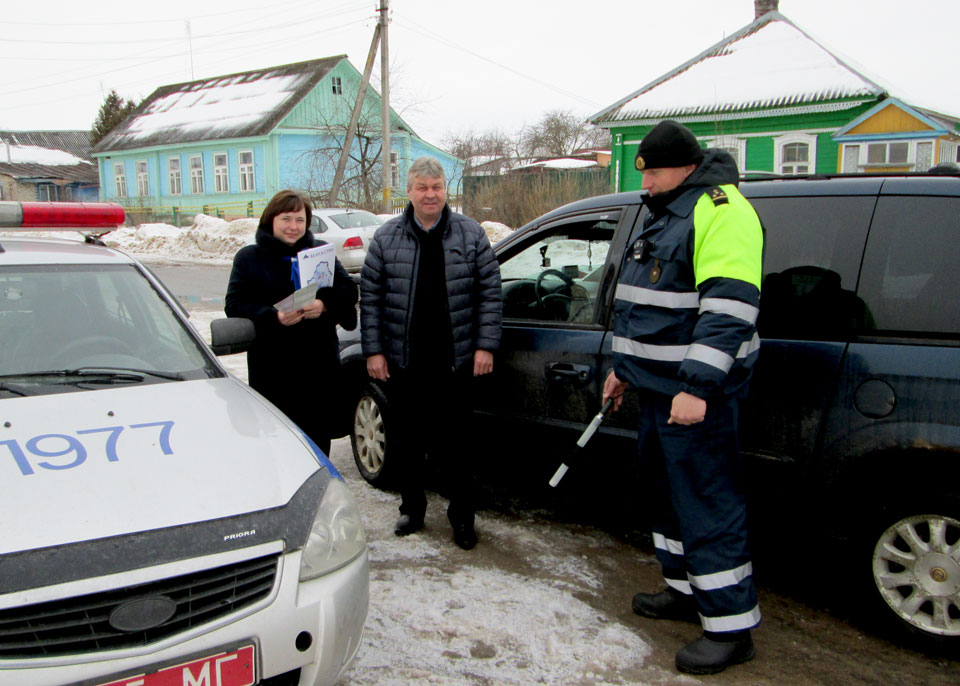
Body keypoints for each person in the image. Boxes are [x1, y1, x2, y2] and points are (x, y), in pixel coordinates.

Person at [601, 120, 764, 675]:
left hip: (696, 399)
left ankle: (730, 627)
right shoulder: (671, 208)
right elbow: (647, 307)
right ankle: (684, 590)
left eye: (653, 173)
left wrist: (697, 387)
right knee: (666, 497)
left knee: (707, 502)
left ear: (687, 167)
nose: (645, 184)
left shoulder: (720, 209)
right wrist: (623, 371)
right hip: (655, 392)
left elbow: (730, 310)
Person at [360, 156, 502, 550]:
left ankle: (462, 517)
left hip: (455, 361)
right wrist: (374, 351)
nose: (430, 194)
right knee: (407, 440)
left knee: (458, 444)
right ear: (408, 192)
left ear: (445, 191)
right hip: (405, 362)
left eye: (436, 187)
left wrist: (485, 345)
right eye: (422, 188)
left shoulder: (471, 235)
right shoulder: (387, 238)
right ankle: (412, 508)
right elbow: (369, 299)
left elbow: (490, 293)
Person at [226, 189, 358, 456]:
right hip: (274, 368)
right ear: (270, 220)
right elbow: (235, 304)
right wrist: (273, 317)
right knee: (279, 444)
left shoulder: (319, 252)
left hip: (318, 366)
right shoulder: (249, 258)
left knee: (317, 444)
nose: (293, 227)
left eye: (299, 220)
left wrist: (323, 306)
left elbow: (348, 291)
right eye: (286, 219)